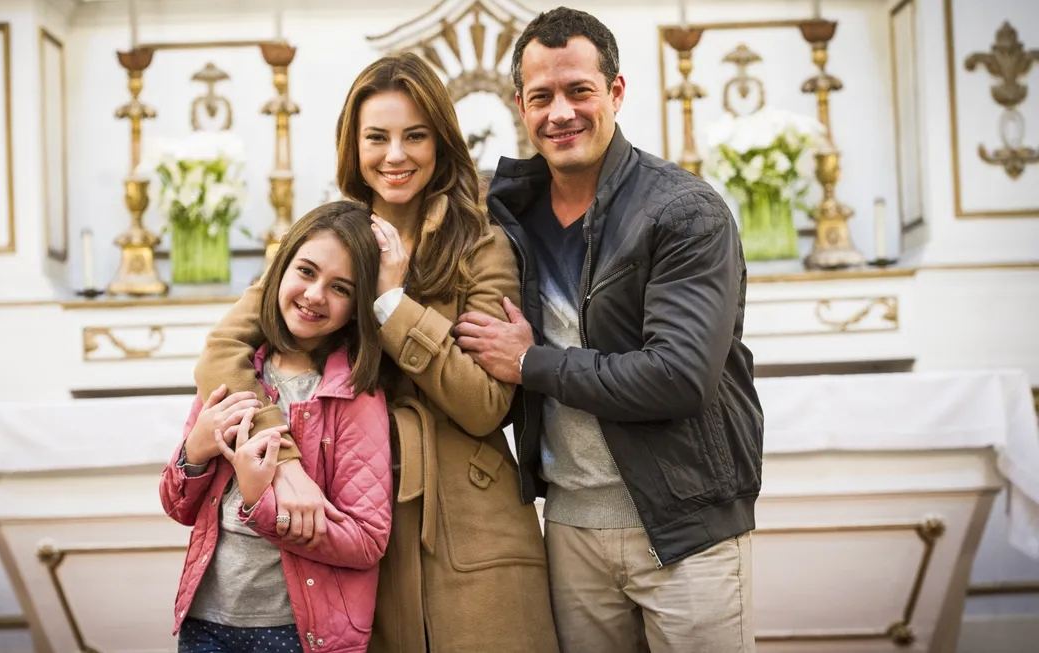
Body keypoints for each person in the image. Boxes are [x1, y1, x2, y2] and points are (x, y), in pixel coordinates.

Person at [193, 53, 559, 652]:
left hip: (468, 530)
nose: (395, 155)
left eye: (415, 136)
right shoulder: (325, 241)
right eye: (377, 137)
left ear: (440, 142)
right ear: (353, 144)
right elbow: (222, 351)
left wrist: (391, 304)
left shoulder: (480, 246)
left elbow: (484, 405)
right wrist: (283, 460)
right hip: (345, 521)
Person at [453, 7, 763, 652]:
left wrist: (531, 363)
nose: (560, 112)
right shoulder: (508, 215)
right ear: (520, 106)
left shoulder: (684, 211)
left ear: (616, 92)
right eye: (542, 97)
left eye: (579, 91)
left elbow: (679, 378)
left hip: (686, 526)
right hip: (569, 526)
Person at [160, 201, 393, 653]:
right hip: (205, 620)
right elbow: (178, 507)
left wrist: (260, 502)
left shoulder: (354, 396)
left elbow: (366, 541)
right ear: (279, 270)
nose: (315, 294)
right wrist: (196, 451)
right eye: (306, 271)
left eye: (340, 287)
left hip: (296, 632)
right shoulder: (234, 373)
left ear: (356, 306)